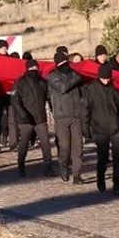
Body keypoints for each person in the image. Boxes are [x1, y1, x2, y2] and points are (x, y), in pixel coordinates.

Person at [84, 62, 119, 195]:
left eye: (108, 78)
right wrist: (86, 129)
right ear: (99, 77)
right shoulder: (90, 89)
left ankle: (117, 183)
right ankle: (100, 178)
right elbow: (85, 110)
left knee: (118, 157)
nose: (106, 80)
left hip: (117, 127)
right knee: (102, 157)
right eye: (104, 78)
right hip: (100, 128)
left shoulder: (115, 87)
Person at [47, 52, 85, 184]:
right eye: (62, 63)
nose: (65, 66)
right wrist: (76, 78)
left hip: (76, 115)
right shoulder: (52, 77)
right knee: (64, 147)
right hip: (61, 116)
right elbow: (63, 88)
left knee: (78, 147)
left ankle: (77, 174)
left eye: (66, 63)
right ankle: (63, 164)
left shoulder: (74, 73)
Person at [11, 59, 53, 177]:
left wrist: (53, 110)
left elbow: (49, 97)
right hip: (26, 120)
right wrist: (23, 114)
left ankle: (49, 166)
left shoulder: (42, 82)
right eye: (32, 68)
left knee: (45, 143)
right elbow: (15, 100)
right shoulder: (20, 82)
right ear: (27, 68)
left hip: (40, 118)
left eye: (36, 67)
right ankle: (21, 166)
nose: (34, 70)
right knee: (24, 144)